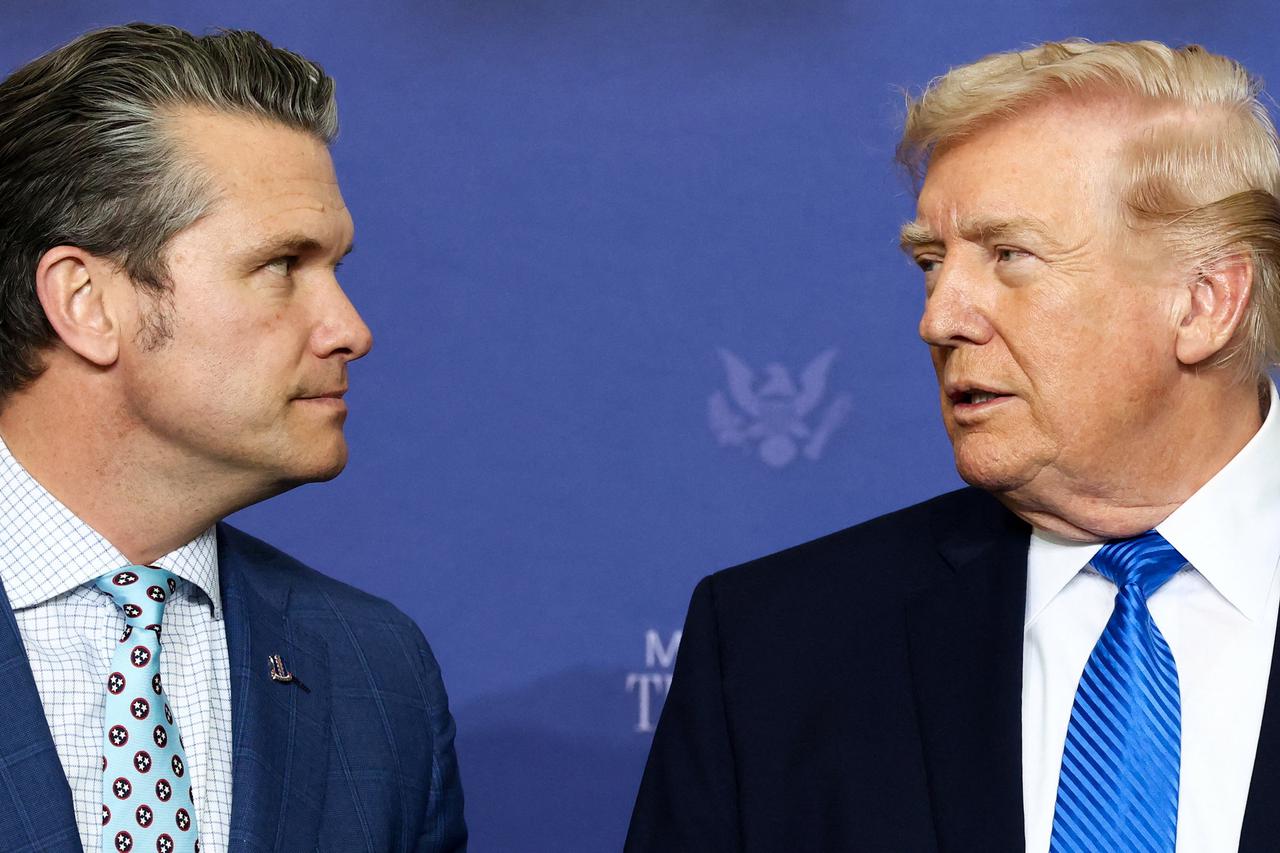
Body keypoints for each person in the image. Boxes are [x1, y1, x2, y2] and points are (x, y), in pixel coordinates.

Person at [626, 39, 1280, 853]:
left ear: (1204, 302)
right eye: (932, 262)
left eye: (1009, 256)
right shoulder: (774, 646)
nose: (938, 318)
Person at [0, 23, 465, 853]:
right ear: (85, 302)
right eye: (283, 264)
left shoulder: (375, 671)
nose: (350, 330)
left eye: (336, 268)